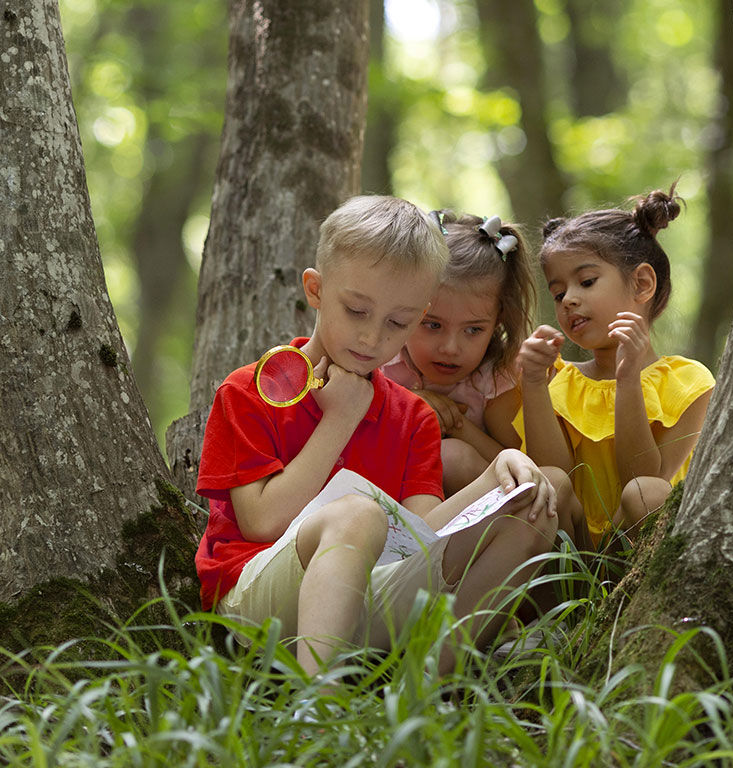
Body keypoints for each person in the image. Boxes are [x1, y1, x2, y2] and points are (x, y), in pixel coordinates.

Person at [194, 195, 567, 678]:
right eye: (356, 311)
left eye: (398, 322)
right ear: (315, 289)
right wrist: (341, 418)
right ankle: (317, 707)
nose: (372, 338)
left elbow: (420, 537)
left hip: (370, 596)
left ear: (419, 314)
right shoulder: (249, 389)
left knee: (531, 503)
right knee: (357, 516)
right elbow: (262, 523)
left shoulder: (413, 415)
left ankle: (422, 689)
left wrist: (497, 476)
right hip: (260, 598)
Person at [513, 185, 715, 548]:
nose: (569, 300)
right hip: (571, 558)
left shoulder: (688, 383)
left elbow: (645, 483)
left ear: (641, 283)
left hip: (637, 555)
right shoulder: (562, 380)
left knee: (645, 492)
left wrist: (628, 382)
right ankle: (560, 604)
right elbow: (558, 480)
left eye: (587, 282)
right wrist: (533, 384)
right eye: (558, 294)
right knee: (546, 482)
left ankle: (626, 604)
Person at [381, 213, 533, 496]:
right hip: (388, 500)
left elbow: (517, 463)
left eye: (473, 330)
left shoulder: (495, 376)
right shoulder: (383, 361)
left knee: (450, 456)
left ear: (498, 320)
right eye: (433, 325)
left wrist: (456, 424)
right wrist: (411, 407)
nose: (450, 347)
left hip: (472, 511)